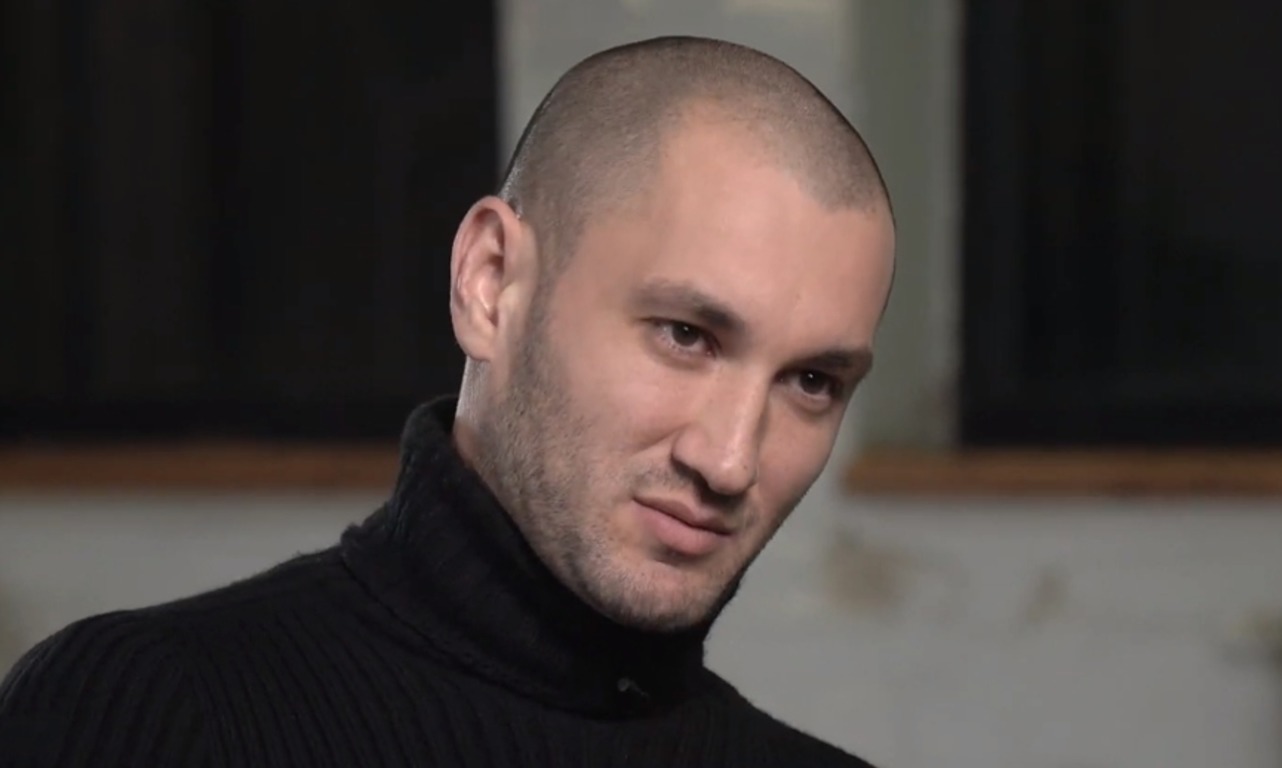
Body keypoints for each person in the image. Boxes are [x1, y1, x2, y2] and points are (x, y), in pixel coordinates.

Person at [0, 35, 895, 766]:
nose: (730, 460)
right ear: (490, 284)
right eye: (685, 335)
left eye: (812, 382)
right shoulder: (153, 712)